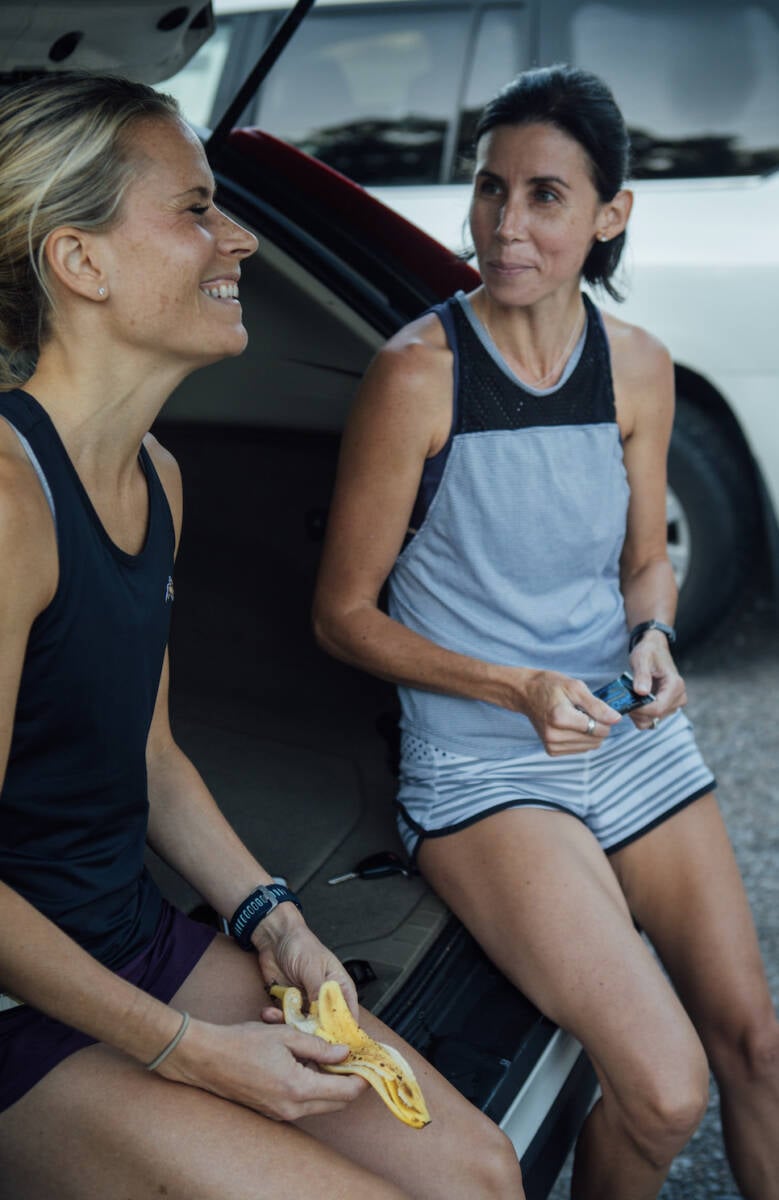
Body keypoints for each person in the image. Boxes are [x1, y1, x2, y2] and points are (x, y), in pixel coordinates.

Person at [0, 72, 524, 1200]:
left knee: (477, 1174)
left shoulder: (159, 477)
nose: (237, 236)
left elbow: (150, 757)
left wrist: (269, 917)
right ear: (78, 262)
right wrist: (186, 1053)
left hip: (127, 938)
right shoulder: (5, 502)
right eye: (193, 209)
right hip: (13, 1006)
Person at [313, 65, 779, 1200]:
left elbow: (637, 568)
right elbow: (340, 616)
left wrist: (652, 638)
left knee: (756, 1050)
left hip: (618, 734)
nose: (504, 226)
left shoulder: (639, 369)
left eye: (544, 196)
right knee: (666, 1091)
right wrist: (512, 686)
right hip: (482, 763)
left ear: (609, 214)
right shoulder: (415, 375)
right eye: (488, 189)